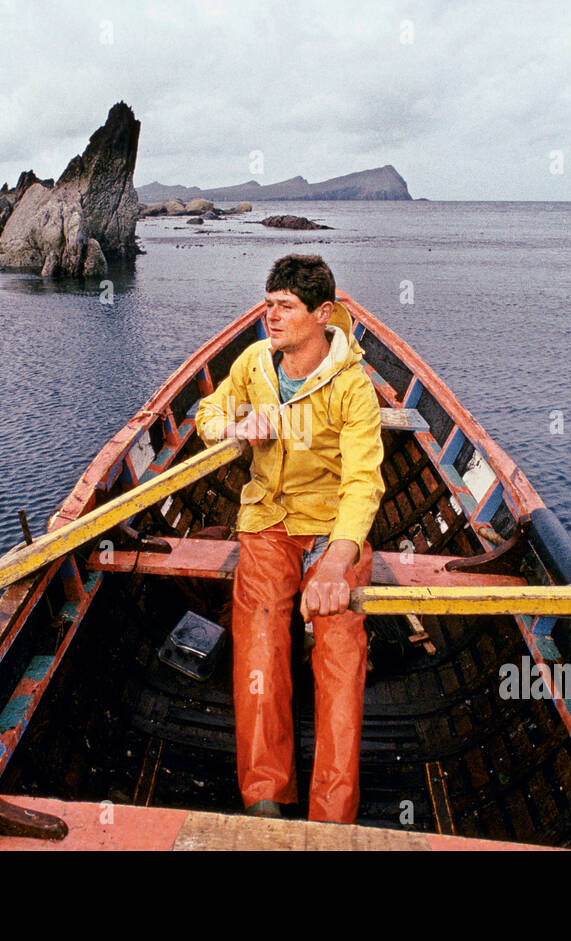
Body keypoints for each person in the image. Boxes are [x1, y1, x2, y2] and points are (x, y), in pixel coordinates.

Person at [195, 254, 384, 824]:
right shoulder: (255, 362)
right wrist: (233, 427)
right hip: (267, 522)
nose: (271, 317)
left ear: (322, 314)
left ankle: (333, 815)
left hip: (332, 530)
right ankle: (264, 796)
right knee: (258, 638)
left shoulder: (354, 388)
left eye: (286, 307)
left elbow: (362, 484)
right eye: (268, 304)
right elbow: (206, 412)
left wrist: (335, 564)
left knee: (340, 646)